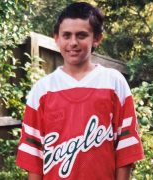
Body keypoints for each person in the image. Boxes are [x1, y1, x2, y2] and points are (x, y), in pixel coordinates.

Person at [16, 2, 144, 180]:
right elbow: (33, 155)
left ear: (97, 38)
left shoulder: (113, 82)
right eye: (66, 35)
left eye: (82, 35)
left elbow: (126, 148)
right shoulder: (43, 89)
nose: (73, 42)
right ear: (57, 38)